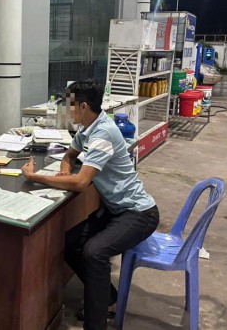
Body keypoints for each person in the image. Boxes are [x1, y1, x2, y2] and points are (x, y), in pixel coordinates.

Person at [21, 79, 159, 330]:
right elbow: (69, 155)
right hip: (115, 210)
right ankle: (109, 299)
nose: (67, 110)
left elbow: (81, 182)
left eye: (70, 105)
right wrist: (64, 171)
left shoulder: (103, 133)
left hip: (138, 214)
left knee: (95, 253)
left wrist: (35, 177)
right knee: (70, 243)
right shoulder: (87, 127)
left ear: (83, 106)